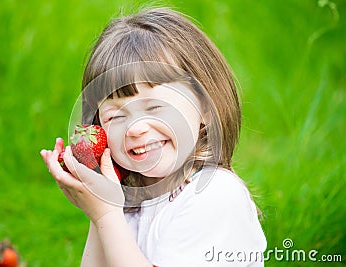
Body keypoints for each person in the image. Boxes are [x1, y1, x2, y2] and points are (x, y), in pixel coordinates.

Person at [40, 7, 266, 267]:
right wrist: (101, 204)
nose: (135, 129)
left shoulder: (216, 196)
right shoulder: (130, 201)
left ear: (205, 107)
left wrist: (106, 215)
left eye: (155, 107)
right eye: (115, 117)